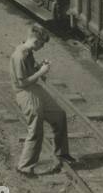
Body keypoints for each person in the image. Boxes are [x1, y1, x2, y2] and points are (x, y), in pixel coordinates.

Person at [11, 24, 72, 175]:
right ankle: (24, 167)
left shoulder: (28, 51)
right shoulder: (19, 56)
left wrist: (40, 67)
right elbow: (22, 82)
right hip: (25, 93)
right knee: (36, 128)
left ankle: (61, 154)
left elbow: (31, 69)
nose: (42, 47)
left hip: (35, 90)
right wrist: (41, 73)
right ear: (36, 41)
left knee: (59, 114)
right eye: (42, 44)